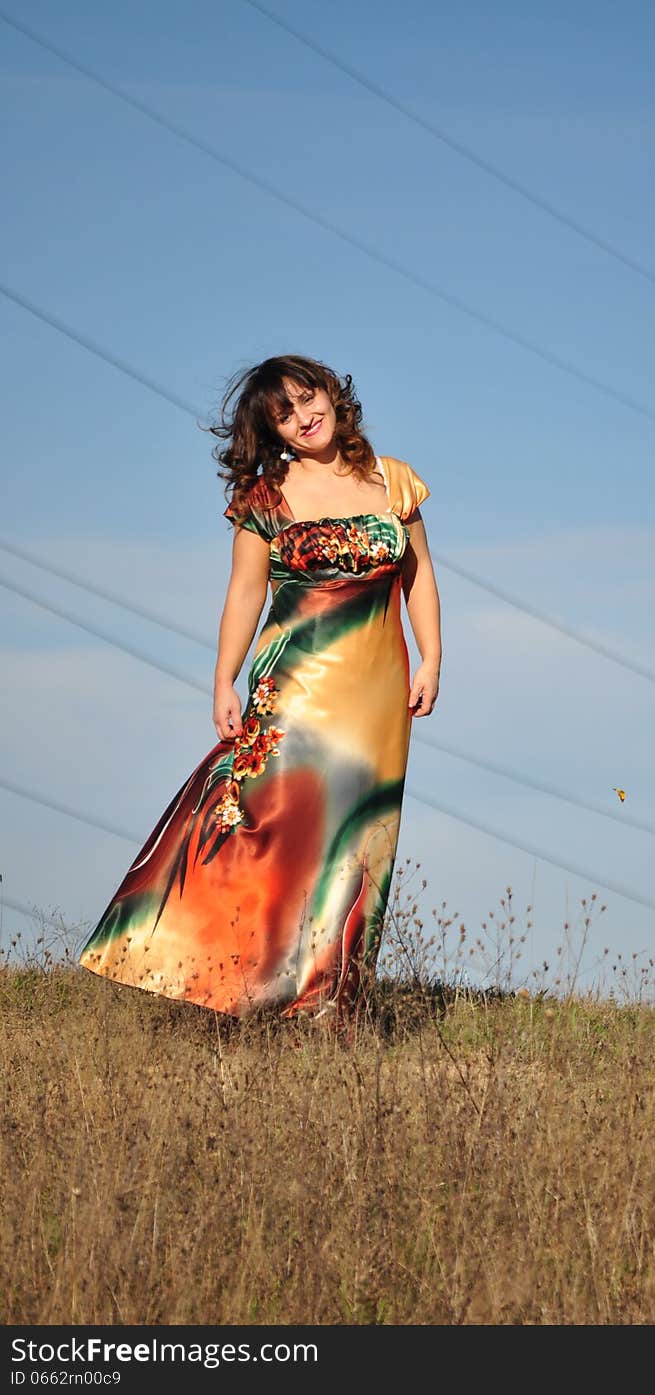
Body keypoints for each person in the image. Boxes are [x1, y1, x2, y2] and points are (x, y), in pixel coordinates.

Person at [78, 353, 441, 1035]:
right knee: (260, 816)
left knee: (356, 838)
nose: (305, 416)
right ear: (271, 431)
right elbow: (245, 590)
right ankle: (215, 965)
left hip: (378, 695)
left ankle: (328, 1007)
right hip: (296, 683)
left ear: (333, 394)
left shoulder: (394, 480)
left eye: (310, 398)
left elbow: (418, 574)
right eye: (285, 413)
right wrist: (223, 676)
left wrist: (434, 657)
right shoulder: (265, 499)